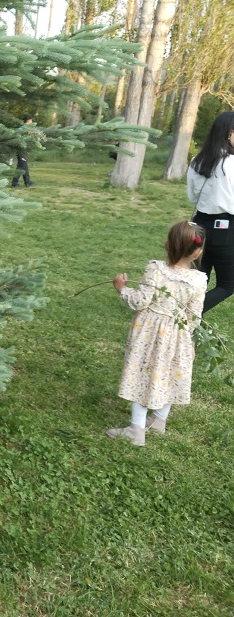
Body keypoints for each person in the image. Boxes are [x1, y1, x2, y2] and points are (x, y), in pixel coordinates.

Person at [106, 221, 207, 447]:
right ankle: (159, 420)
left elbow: (141, 301)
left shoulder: (156, 269)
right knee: (168, 373)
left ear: (167, 245)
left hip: (149, 334)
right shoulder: (200, 279)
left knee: (144, 373)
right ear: (198, 252)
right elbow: (195, 316)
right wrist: (188, 338)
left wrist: (122, 288)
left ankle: (136, 430)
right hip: (178, 335)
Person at [187, 111, 234, 314]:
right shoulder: (231, 163)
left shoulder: (198, 160)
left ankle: (184, 319)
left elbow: (192, 196)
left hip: (199, 226)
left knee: (197, 281)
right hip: (226, 228)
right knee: (228, 284)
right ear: (231, 133)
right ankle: (187, 315)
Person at [11, 114, 34, 188]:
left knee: (25, 166)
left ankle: (27, 182)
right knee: (20, 166)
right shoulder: (24, 129)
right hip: (22, 150)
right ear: (29, 120)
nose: (32, 122)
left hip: (22, 149)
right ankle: (14, 183)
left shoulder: (20, 128)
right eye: (31, 120)